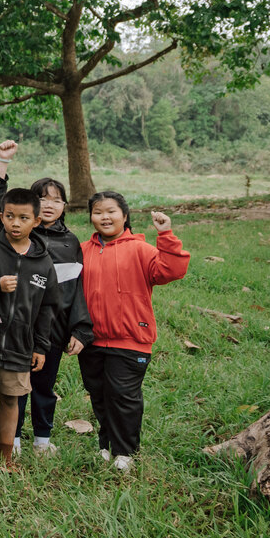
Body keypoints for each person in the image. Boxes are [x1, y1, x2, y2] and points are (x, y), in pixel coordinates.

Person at [0, 140, 93, 456]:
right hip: (14, 327)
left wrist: (80, 328)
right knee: (15, 387)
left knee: (44, 386)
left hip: (52, 330)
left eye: (56, 200)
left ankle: (42, 439)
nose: (48, 205)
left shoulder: (71, 242)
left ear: (65, 207)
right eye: (42, 198)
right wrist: (2, 161)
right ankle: (13, 438)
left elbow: (74, 290)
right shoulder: (16, 231)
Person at [79, 191, 189, 472]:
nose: (105, 217)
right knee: (99, 394)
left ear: (125, 216)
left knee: (123, 396)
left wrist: (165, 234)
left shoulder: (139, 249)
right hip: (91, 340)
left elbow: (171, 270)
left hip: (131, 339)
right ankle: (106, 445)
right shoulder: (83, 250)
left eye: (111, 211)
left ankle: (126, 451)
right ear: (91, 216)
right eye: (98, 212)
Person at [0, 187, 61, 467]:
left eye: (23, 218)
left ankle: (6, 456)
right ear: (1, 216)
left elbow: (47, 307)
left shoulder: (43, 262)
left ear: (36, 221)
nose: (15, 223)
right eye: (9, 216)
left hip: (20, 347)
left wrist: (41, 346)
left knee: (11, 401)